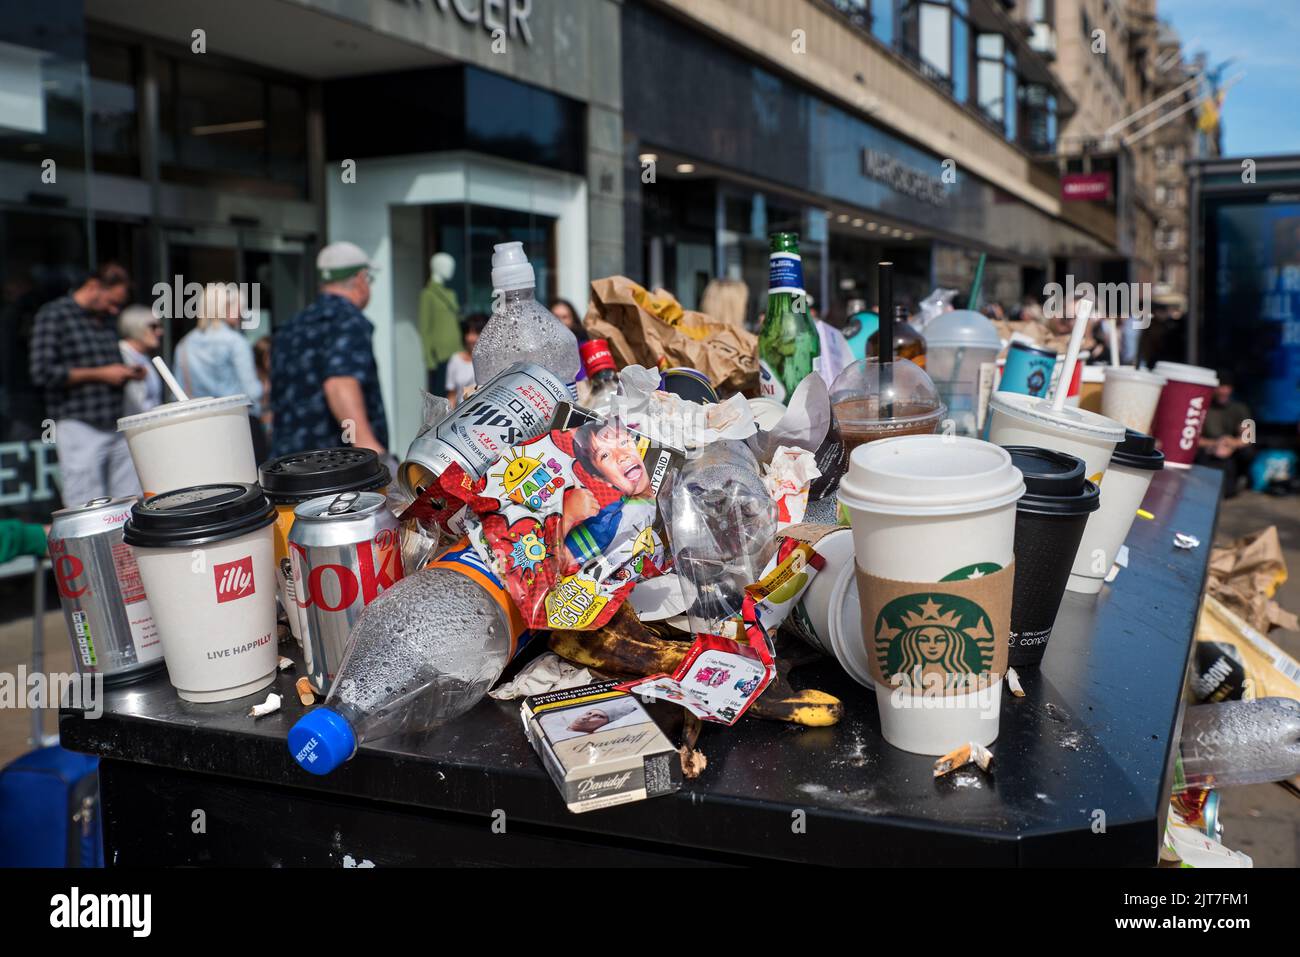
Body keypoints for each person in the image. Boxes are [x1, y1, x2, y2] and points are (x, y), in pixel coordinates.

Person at [29, 263, 144, 506]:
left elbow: (108, 365)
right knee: (87, 503)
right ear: (93, 287)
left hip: (115, 421)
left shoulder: (104, 320)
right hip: (79, 424)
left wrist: (126, 372)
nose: (114, 311)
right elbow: (43, 372)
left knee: (129, 501)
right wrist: (100, 374)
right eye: (111, 302)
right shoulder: (54, 315)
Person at [271, 242, 388, 459]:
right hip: (333, 467)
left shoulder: (291, 326)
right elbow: (340, 384)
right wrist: (369, 446)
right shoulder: (348, 321)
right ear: (361, 279)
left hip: (287, 464)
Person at [175, 283, 267, 462]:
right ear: (225, 308)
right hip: (238, 424)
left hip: (199, 427)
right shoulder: (235, 342)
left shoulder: (184, 344)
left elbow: (177, 393)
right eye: (239, 307)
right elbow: (253, 391)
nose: (242, 314)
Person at [1196, 372, 1255, 499]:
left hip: (1231, 450)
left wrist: (1231, 443)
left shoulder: (1240, 408)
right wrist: (1215, 444)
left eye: (1227, 387)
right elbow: (1193, 438)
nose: (1224, 391)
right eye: (1220, 387)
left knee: (1248, 452)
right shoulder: (1202, 406)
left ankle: (1241, 478)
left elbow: (1249, 437)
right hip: (1208, 450)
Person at [419, 252, 461, 396]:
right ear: (437, 267)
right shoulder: (428, 294)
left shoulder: (451, 294)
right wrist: (429, 360)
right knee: (440, 395)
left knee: (458, 392)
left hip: (457, 351)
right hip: (440, 355)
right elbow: (425, 328)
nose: (451, 269)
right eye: (448, 266)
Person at [117, 304, 164, 416]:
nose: (160, 332)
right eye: (153, 327)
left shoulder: (143, 356)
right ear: (136, 327)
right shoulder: (120, 355)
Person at [445, 314, 486, 407]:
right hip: (462, 417)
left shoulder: (492, 362)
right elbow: (452, 395)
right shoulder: (455, 360)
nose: (470, 338)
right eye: (468, 332)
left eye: (476, 333)